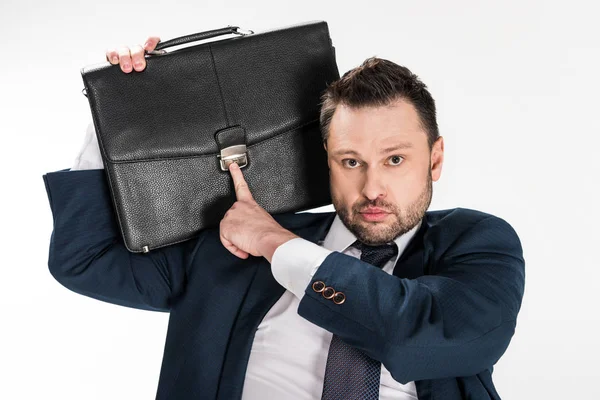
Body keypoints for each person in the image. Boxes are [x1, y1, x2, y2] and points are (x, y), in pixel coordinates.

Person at [43, 36, 525, 400]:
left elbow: (422, 335)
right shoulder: (229, 246)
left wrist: (279, 246)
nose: (372, 188)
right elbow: (84, 259)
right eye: (351, 161)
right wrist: (118, 110)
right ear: (327, 159)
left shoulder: (476, 241)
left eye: (395, 160)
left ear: (435, 159)